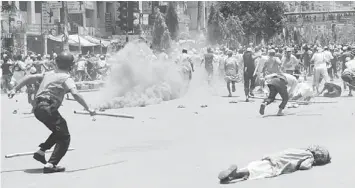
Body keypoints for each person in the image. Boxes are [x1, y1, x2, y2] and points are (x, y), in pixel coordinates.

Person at [8, 51, 95, 173]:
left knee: (59, 130)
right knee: (65, 136)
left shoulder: (49, 74)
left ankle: (41, 151)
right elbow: (75, 93)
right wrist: (89, 108)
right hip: (48, 107)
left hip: (38, 108)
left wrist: (14, 89)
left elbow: (29, 77)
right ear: (70, 65)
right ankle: (51, 164)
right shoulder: (66, 77)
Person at [218, 145, 331, 184]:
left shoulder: (301, 150)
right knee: (258, 171)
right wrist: (312, 164)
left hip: (273, 157)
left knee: (255, 167)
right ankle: (236, 173)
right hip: (278, 164)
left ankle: (232, 175)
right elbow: (303, 166)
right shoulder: (309, 157)